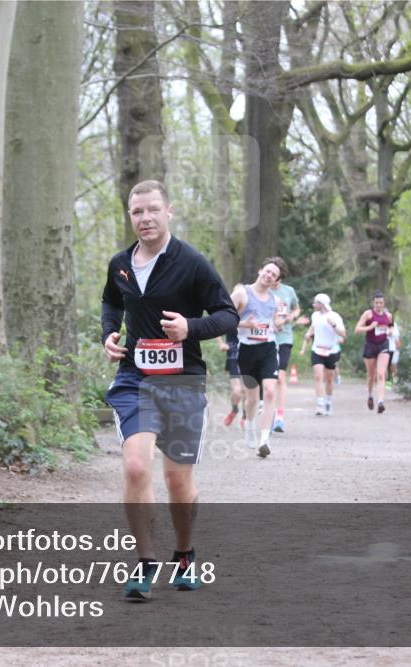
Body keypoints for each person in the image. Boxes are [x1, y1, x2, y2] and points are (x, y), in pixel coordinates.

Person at [102, 180, 239, 600]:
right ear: (130, 216)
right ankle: (145, 563)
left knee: (178, 482)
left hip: (182, 382)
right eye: (137, 212)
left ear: (169, 211)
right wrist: (109, 333)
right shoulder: (120, 264)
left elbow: (227, 315)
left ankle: (184, 554)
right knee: (136, 468)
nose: (144, 218)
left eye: (152, 210)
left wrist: (189, 328)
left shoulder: (192, 262)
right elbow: (111, 302)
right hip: (135, 380)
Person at [230, 260, 285, 458]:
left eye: (274, 275)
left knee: (270, 391)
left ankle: (264, 440)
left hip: (269, 348)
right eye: (268, 271)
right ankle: (250, 427)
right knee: (251, 397)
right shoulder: (241, 293)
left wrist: (278, 323)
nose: (269, 275)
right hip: (247, 350)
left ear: (275, 281)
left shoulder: (275, 300)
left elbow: (275, 323)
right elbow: (225, 319)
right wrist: (245, 324)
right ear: (261, 270)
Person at [268, 257, 300, 433]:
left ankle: (279, 417)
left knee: (280, 377)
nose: (273, 279)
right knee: (268, 377)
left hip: (285, 338)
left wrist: (289, 317)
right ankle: (265, 407)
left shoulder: (288, 291)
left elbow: (296, 308)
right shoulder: (262, 290)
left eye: (276, 277)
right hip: (266, 338)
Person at [299, 293, 346, 416]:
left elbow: (343, 334)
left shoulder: (334, 316)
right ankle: (320, 404)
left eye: (316, 302)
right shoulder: (315, 315)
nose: (313, 304)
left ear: (322, 304)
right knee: (318, 376)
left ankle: (328, 402)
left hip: (331, 350)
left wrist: (334, 325)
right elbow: (313, 327)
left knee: (329, 379)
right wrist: (308, 335)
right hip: (317, 350)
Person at [354, 291, 394, 414]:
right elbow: (357, 329)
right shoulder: (368, 314)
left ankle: (380, 402)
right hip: (370, 346)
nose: (378, 305)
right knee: (371, 376)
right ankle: (370, 395)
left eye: (381, 303)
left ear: (384, 303)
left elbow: (391, 326)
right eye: (376, 303)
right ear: (373, 303)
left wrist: (390, 331)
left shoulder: (388, 316)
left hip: (383, 345)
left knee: (381, 374)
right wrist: (370, 327)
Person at [219, 328, 244, 427]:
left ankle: (245, 418)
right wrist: (221, 343)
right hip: (233, 355)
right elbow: (217, 327)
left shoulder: (252, 314)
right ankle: (234, 409)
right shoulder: (230, 314)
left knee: (246, 389)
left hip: (249, 353)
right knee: (237, 390)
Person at [386, 320, 402, 388]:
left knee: (394, 366)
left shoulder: (394, 324)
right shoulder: (381, 325)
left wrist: (398, 347)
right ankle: (388, 383)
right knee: (387, 367)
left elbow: (397, 338)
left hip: (393, 349)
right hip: (385, 349)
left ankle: (395, 382)